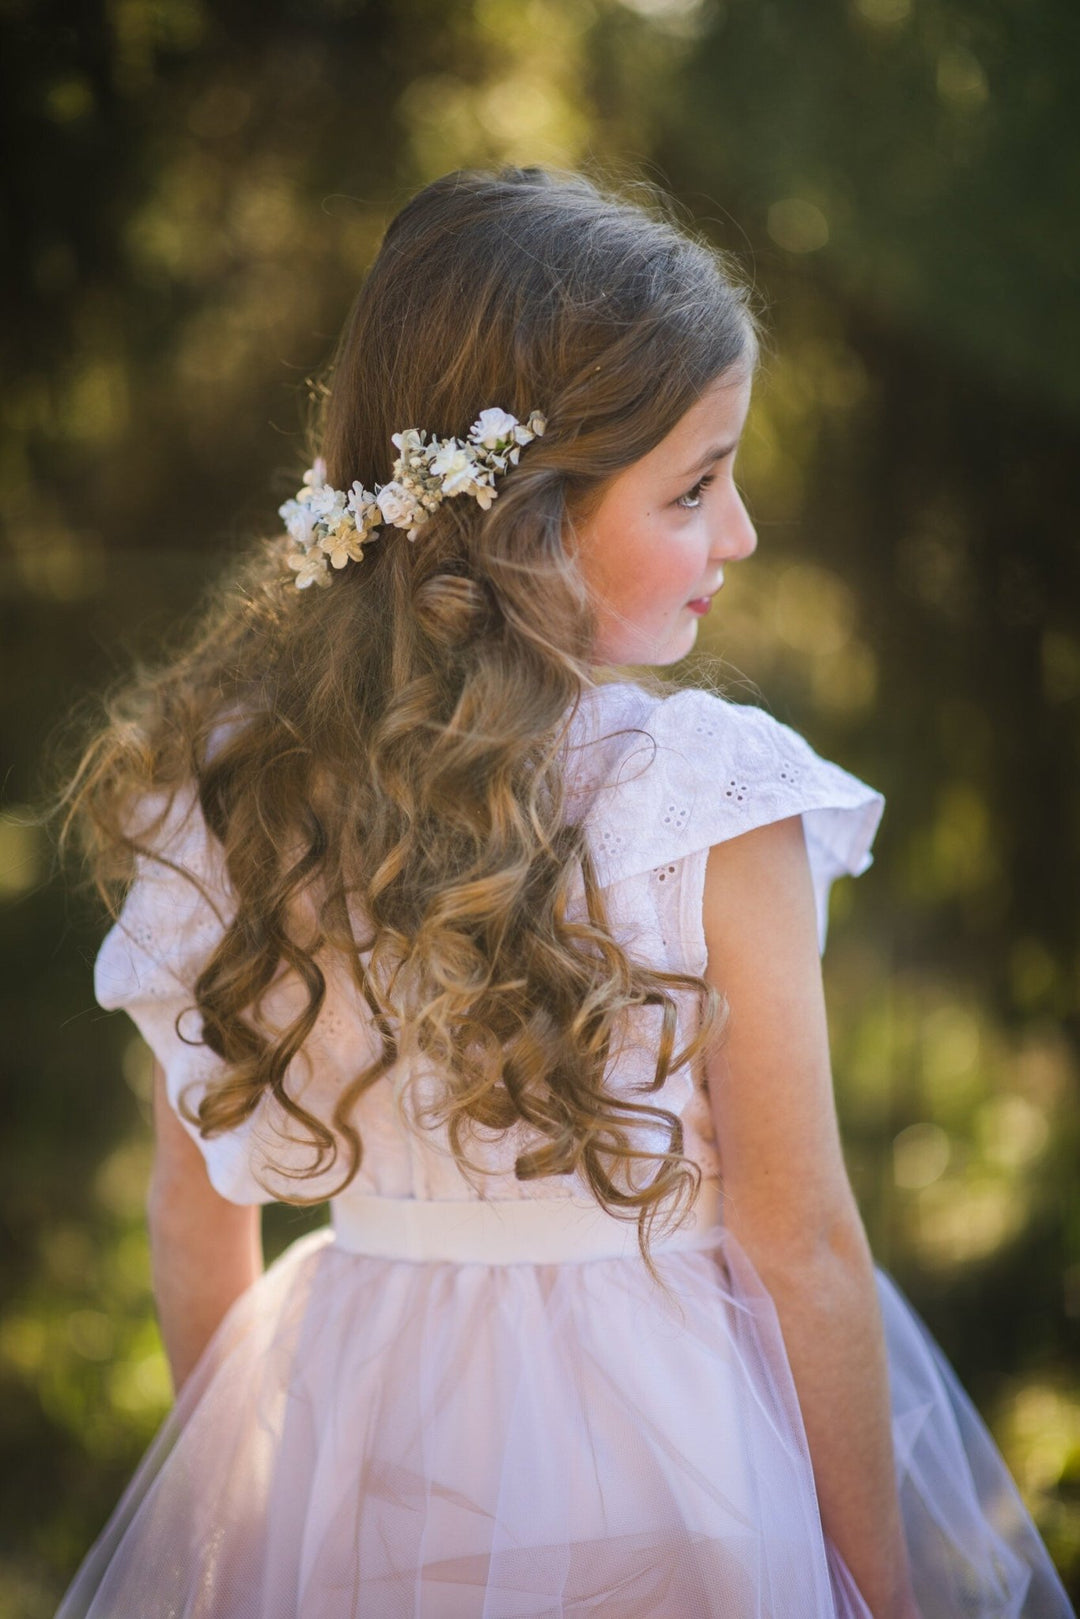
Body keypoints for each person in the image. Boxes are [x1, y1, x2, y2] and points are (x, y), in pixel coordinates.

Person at [52, 166, 1072, 1618]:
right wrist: (884, 1597)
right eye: (697, 486)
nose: (743, 535)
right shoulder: (702, 799)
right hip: (662, 1455)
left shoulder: (231, 784)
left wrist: (253, 1511)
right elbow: (805, 1244)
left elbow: (191, 1208)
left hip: (371, 1452)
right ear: (528, 515)